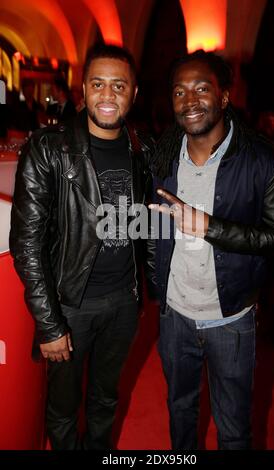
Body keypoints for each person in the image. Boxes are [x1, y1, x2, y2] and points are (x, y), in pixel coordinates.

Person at [9, 43, 156, 450]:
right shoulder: (48, 149)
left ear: (134, 93)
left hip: (124, 304)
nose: (108, 96)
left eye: (119, 86)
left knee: (105, 400)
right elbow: (26, 244)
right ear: (83, 91)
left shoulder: (141, 149)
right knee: (62, 408)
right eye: (98, 84)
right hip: (71, 305)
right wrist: (50, 324)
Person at [149, 50, 274, 450]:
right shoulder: (162, 157)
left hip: (230, 320)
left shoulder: (260, 158)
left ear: (224, 96)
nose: (189, 100)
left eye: (201, 88)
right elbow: (153, 232)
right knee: (180, 414)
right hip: (175, 317)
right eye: (179, 92)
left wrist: (213, 228)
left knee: (233, 432)